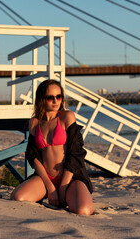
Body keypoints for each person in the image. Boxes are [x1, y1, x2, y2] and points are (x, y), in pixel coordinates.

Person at [11, 79, 94, 215]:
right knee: (18, 198)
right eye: (50, 98)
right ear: (41, 99)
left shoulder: (67, 117)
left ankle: (71, 196)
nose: (56, 101)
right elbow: (33, 156)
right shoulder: (35, 122)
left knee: (83, 210)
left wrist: (62, 188)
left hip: (71, 178)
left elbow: (76, 153)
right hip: (45, 179)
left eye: (59, 96)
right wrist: (50, 187)